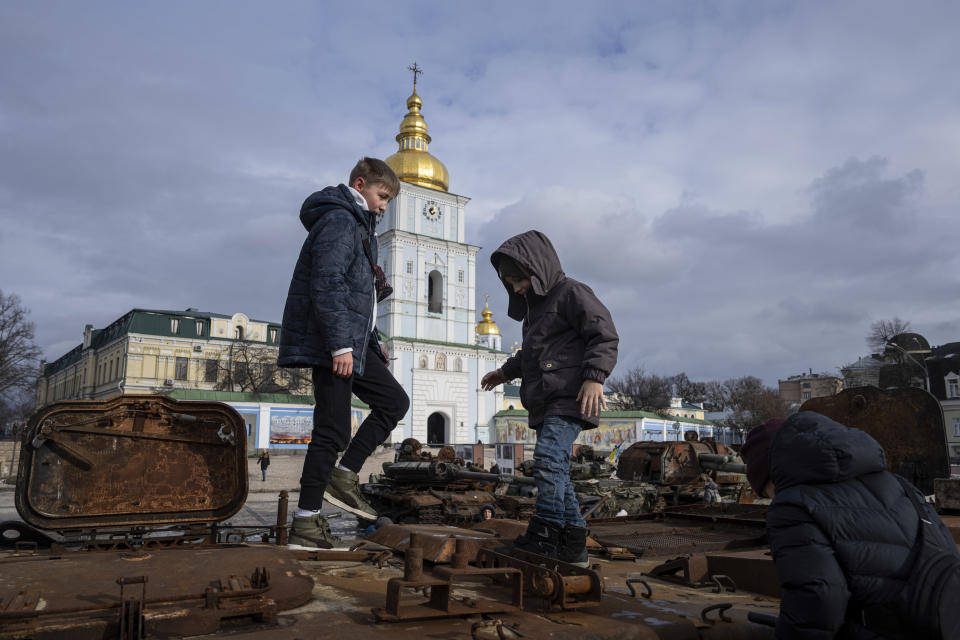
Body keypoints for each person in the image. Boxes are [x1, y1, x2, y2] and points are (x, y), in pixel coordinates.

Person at [277, 157, 409, 548]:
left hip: (354, 344)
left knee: (393, 402)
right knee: (330, 431)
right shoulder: (339, 221)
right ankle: (305, 520)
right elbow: (327, 284)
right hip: (332, 346)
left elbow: (355, 298)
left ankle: (345, 474)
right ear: (360, 183)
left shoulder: (359, 227)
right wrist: (340, 344)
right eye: (382, 196)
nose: (384, 205)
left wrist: (372, 342)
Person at [740, 412, 960, 639]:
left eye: (766, 491)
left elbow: (818, 600)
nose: (771, 498)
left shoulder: (793, 506)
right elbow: (947, 553)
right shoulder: (900, 485)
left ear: (773, 474)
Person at [481, 230, 618, 567]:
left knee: (546, 463)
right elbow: (530, 353)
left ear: (537, 268)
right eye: (510, 283)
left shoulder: (571, 293)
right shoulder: (535, 311)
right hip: (544, 401)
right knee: (555, 470)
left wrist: (594, 378)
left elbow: (603, 335)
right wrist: (505, 373)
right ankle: (573, 544)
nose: (515, 288)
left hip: (570, 396)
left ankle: (546, 534)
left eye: (518, 279)